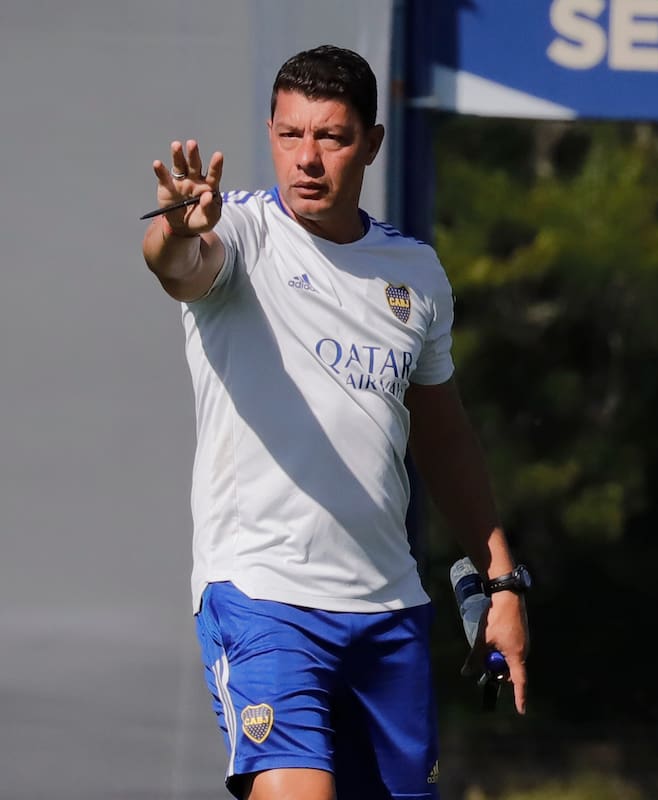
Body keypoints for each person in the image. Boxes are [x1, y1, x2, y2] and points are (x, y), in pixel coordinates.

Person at [141, 44, 529, 800]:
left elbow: (444, 434)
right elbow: (176, 263)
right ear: (270, 133)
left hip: (388, 610)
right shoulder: (243, 237)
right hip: (264, 597)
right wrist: (176, 229)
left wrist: (502, 582)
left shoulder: (414, 272)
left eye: (331, 137)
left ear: (373, 144)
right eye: (290, 136)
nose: (307, 159)